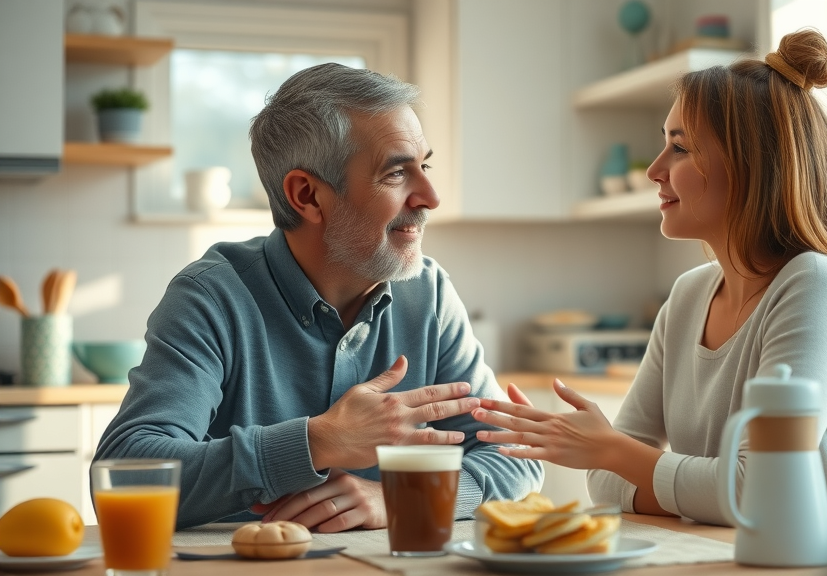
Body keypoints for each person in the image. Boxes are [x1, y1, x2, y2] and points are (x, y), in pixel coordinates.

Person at [94, 63, 543, 531]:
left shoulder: (428, 294)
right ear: (306, 195)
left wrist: (402, 499)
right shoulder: (211, 298)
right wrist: (316, 442)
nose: (430, 196)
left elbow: (516, 456)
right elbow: (126, 474)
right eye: (396, 173)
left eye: (424, 166)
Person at [471, 29, 827, 536]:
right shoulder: (689, 296)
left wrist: (612, 450)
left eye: (680, 148)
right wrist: (642, 467)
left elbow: (758, 491)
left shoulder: (818, 288)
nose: (655, 170)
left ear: (752, 166)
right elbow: (607, 483)